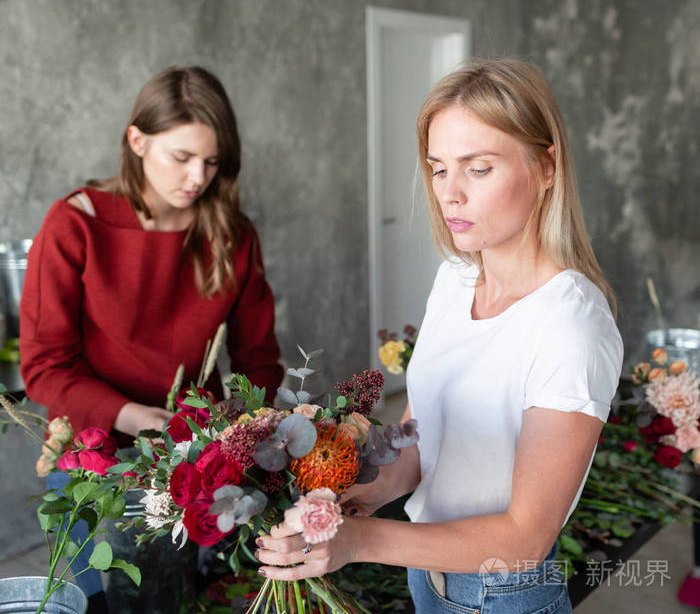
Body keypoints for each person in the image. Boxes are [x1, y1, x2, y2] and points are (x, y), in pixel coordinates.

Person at [255, 59, 623, 614]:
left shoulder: (570, 326)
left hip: (501, 593)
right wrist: (366, 494)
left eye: (478, 169)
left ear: (547, 167)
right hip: (428, 573)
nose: (450, 194)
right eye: (437, 168)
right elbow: (425, 431)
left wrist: (360, 542)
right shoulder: (455, 278)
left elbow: (524, 539)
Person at [19, 66, 284, 607]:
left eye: (211, 162)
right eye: (181, 157)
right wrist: (134, 417)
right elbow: (44, 366)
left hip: (197, 459)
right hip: (96, 454)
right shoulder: (76, 224)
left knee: (189, 595)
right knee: (105, 596)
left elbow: (258, 359)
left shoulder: (231, 234)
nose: (197, 178)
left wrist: (239, 432)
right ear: (136, 140)